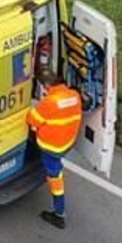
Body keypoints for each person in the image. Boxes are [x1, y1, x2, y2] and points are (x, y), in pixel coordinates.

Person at [28, 66, 83, 229]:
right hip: (67, 142)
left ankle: (59, 214)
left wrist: (35, 108)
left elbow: (31, 120)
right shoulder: (74, 96)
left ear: (46, 87)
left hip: (51, 147)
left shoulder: (49, 102)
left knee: (55, 177)